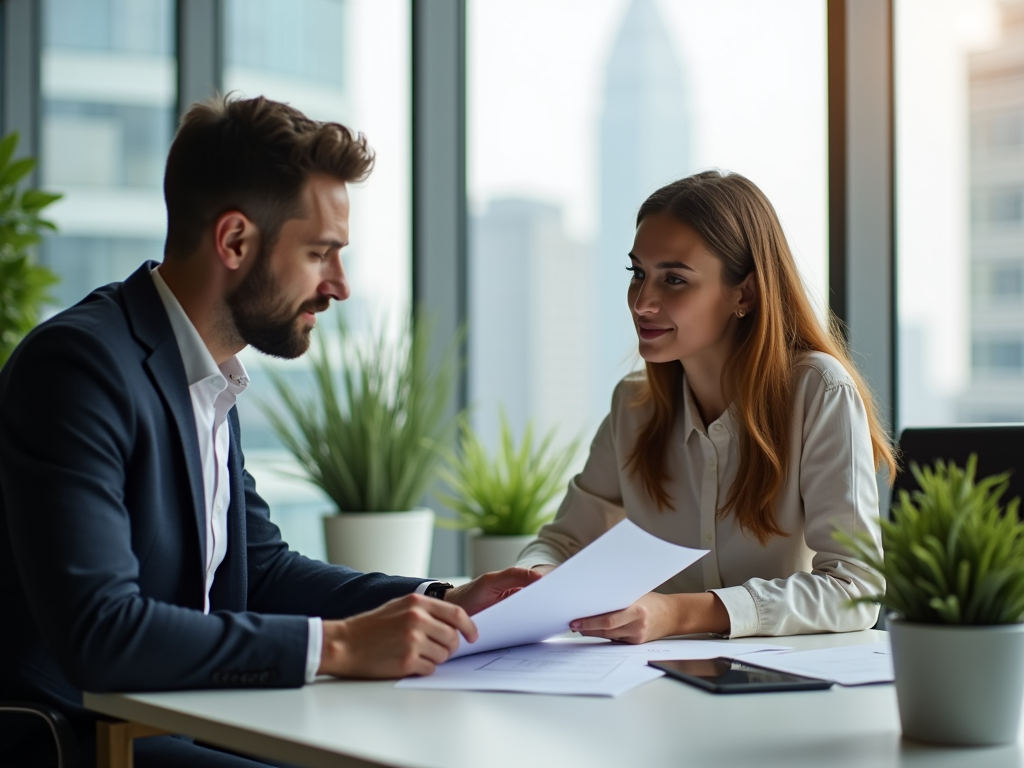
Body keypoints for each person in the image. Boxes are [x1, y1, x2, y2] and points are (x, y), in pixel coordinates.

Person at [0, 95, 537, 768]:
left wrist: (440, 601)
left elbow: (261, 570)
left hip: (183, 719)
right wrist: (339, 645)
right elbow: (101, 633)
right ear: (233, 241)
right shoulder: (79, 368)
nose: (339, 286)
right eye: (320, 254)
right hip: (78, 738)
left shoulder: (205, 371)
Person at [517, 170, 896, 642]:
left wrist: (677, 614)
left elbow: (853, 587)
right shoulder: (633, 407)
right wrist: (531, 579)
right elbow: (562, 542)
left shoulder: (819, 391)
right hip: (651, 685)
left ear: (745, 293)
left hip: (784, 689)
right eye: (638, 273)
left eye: (674, 279)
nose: (642, 302)